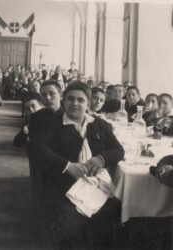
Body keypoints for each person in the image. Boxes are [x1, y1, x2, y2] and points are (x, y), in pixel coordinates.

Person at [28, 81, 124, 249]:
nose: (75, 103)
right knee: (71, 220)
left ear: (88, 103)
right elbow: (37, 149)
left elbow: (118, 150)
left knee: (116, 212)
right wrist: (68, 166)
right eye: (70, 99)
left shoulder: (100, 125)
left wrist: (101, 159)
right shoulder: (52, 124)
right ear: (64, 101)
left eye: (81, 100)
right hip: (62, 183)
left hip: (95, 184)